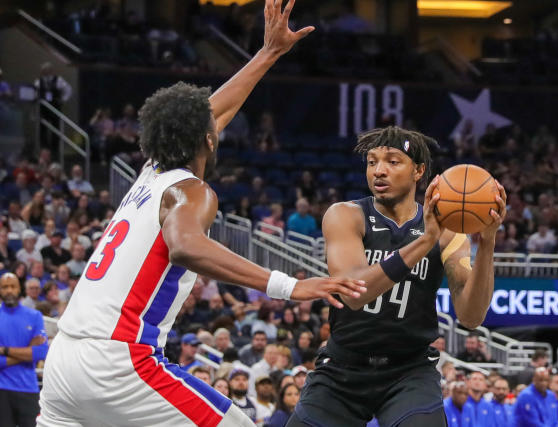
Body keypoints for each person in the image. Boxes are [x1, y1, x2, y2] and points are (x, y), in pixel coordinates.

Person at [37, 3, 365, 425]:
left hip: (65, 360)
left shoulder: (150, 172)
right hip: (119, 360)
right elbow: (185, 246)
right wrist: (288, 285)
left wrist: (268, 53)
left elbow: (213, 112)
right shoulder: (191, 190)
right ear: (209, 142)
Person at [290, 126, 507, 426]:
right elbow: (355, 293)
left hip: (409, 371)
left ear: (419, 171)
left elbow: (471, 317)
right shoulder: (345, 215)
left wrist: (487, 245)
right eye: (372, 162)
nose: (379, 171)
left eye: (393, 161)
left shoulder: (449, 233)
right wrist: (424, 242)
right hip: (343, 367)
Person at [0, 273, 49, 427]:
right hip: (2, 390)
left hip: (28, 387)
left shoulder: (35, 316)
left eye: (13, 286)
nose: (9, 291)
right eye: (5, 287)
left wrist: (3, 350)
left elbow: (41, 352)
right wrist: (27, 352)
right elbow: (34, 353)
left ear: (19, 289)